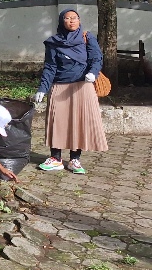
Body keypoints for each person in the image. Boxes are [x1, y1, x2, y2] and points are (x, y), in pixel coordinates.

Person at [34, 9, 108, 173]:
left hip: (82, 86)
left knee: (78, 122)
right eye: (67, 18)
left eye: (74, 18)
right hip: (59, 85)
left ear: (79, 20)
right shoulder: (54, 42)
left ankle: (75, 159)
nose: (71, 21)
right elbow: (50, 67)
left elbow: (97, 58)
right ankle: (55, 158)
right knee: (57, 122)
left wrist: (93, 73)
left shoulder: (87, 37)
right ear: (62, 21)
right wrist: (43, 88)